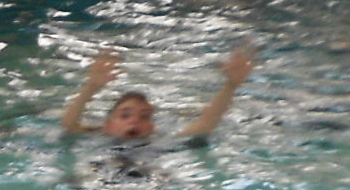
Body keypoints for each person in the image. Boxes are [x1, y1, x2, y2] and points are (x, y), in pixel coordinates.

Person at [62, 46, 256, 143]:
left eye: (144, 116)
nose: (135, 120)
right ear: (107, 125)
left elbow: (204, 125)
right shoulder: (98, 137)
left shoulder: (159, 142)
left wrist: (231, 86)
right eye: (125, 115)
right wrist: (90, 87)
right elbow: (70, 124)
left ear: (152, 128)